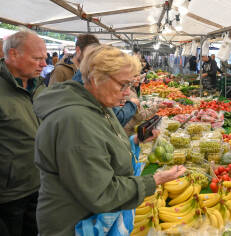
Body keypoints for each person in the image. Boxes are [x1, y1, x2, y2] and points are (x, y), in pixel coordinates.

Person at [33, 45, 186, 235]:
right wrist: (155, 180)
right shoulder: (74, 121)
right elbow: (101, 193)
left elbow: (103, 146)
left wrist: (136, 141)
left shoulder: (99, 106)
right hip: (75, 226)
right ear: (97, 79)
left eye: (130, 85)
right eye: (123, 84)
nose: (127, 92)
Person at [0, 30, 47, 236]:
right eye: (37, 58)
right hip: (9, 195)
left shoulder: (39, 87)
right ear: (12, 55)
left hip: (40, 183)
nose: (44, 64)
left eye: (44, 58)